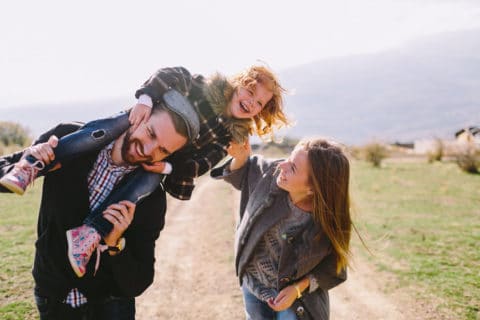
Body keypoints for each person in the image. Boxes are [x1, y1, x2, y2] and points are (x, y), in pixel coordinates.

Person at [0, 65, 289, 278]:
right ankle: (31, 166)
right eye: (250, 91)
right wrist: (147, 100)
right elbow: (166, 76)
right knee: (96, 133)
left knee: (142, 187)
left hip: (162, 161)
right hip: (134, 119)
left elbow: (202, 164)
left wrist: (168, 166)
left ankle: (91, 232)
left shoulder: (228, 136)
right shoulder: (201, 86)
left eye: (259, 103)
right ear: (238, 84)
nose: (251, 102)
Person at [0, 99, 199, 319]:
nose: (148, 149)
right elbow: (4, 170)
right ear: (137, 116)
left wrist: (115, 244)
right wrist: (27, 161)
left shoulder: (151, 197)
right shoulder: (69, 138)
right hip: (53, 298)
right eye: (151, 133)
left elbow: (139, 282)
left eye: (162, 149)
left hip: (111, 307)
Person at [211, 138, 353, 320]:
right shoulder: (269, 173)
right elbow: (243, 172)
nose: (282, 165)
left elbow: (335, 268)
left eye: (293, 168)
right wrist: (239, 158)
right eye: (289, 158)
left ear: (313, 189)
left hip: (296, 302)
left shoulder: (328, 219)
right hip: (252, 286)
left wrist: (297, 289)